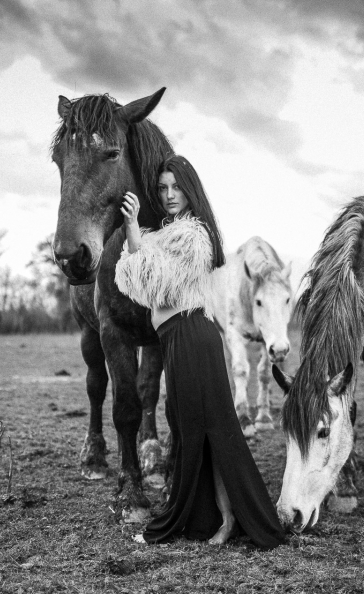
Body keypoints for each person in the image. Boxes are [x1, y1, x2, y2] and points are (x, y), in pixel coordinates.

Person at [115, 154, 285, 549]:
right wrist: (135, 234)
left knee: (207, 433)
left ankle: (199, 520)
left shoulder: (194, 236)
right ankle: (219, 518)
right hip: (177, 340)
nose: (169, 195)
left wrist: (132, 230)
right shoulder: (163, 235)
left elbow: (156, 285)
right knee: (201, 433)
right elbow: (132, 280)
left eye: (177, 187)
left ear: (191, 192)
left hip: (193, 338)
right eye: (163, 188)